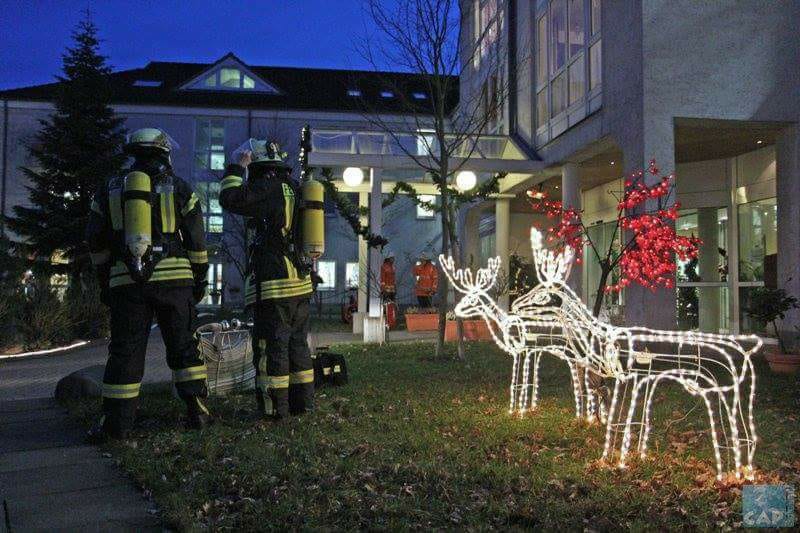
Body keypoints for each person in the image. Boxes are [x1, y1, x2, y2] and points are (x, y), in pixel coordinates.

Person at [85, 128, 211, 442]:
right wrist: (199, 280)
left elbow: (95, 242)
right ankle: (198, 413)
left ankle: (117, 425)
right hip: (175, 280)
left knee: (125, 352)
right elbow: (196, 241)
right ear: (164, 153)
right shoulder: (180, 188)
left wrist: (106, 281)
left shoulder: (109, 190)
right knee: (183, 347)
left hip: (126, 283)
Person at [219, 140, 315, 420]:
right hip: (301, 283)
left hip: (275, 285)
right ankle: (303, 406)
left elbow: (230, 198)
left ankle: (276, 411)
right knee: (298, 347)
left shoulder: (267, 188)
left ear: (259, 166)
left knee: (271, 348)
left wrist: (238, 166)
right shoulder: (295, 187)